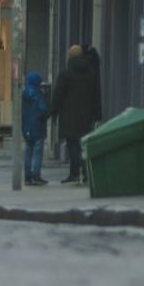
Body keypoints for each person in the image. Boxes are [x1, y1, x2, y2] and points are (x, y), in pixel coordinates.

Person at [49, 44, 102, 183]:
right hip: (87, 115)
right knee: (84, 145)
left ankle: (74, 173)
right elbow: (96, 94)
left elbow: (58, 95)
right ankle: (86, 173)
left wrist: (53, 112)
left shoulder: (66, 73)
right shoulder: (91, 73)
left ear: (70, 57)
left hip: (69, 116)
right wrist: (97, 114)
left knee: (72, 144)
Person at [21, 71, 49, 186]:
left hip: (26, 127)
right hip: (37, 126)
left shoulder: (24, 94)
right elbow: (43, 110)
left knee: (28, 151)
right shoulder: (38, 94)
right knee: (38, 152)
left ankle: (27, 177)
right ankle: (36, 175)